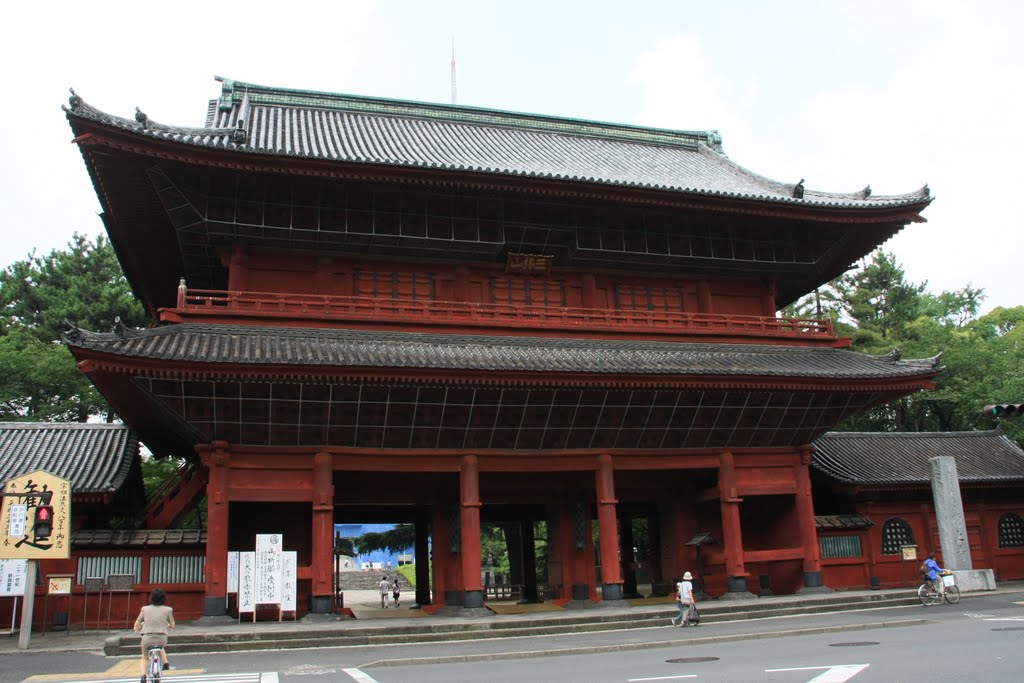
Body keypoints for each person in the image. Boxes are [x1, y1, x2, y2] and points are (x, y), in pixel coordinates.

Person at [133, 588, 175, 682]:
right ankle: (165, 663)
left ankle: (144, 675)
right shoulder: (168, 610)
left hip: (147, 638)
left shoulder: (145, 609)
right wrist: (169, 626)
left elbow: (137, 623)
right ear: (164, 598)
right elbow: (172, 624)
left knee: (145, 657)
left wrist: (137, 628)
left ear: (151, 598)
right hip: (161, 638)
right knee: (160, 647)